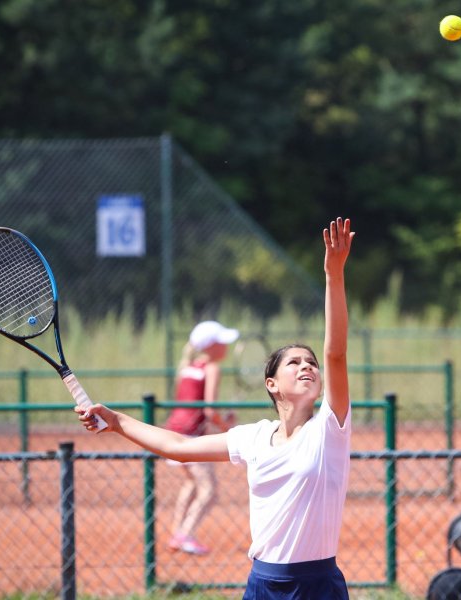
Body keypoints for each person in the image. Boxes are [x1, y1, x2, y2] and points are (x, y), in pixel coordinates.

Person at [77, 217, 355, 599]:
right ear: (271, 384)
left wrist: (333, 276)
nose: (308, 365)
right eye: (294, 362)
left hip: (317, 585)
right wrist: (117, 421)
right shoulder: (254, 437)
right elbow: (177, 446)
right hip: (263, 584)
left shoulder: (329, 429)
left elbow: (336, 353)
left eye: (311, 363)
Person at [165, 319, 240, 555]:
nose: (226, 346)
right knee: (209, 490)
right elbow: (208, 409)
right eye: (221, 342)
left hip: (173, 433)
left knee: (191, 483)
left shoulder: (187, 367)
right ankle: (185, 534)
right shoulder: (212, 368)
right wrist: (227, 426)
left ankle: (178, 531)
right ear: (211, 346)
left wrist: (219, 422)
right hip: (190, 436)